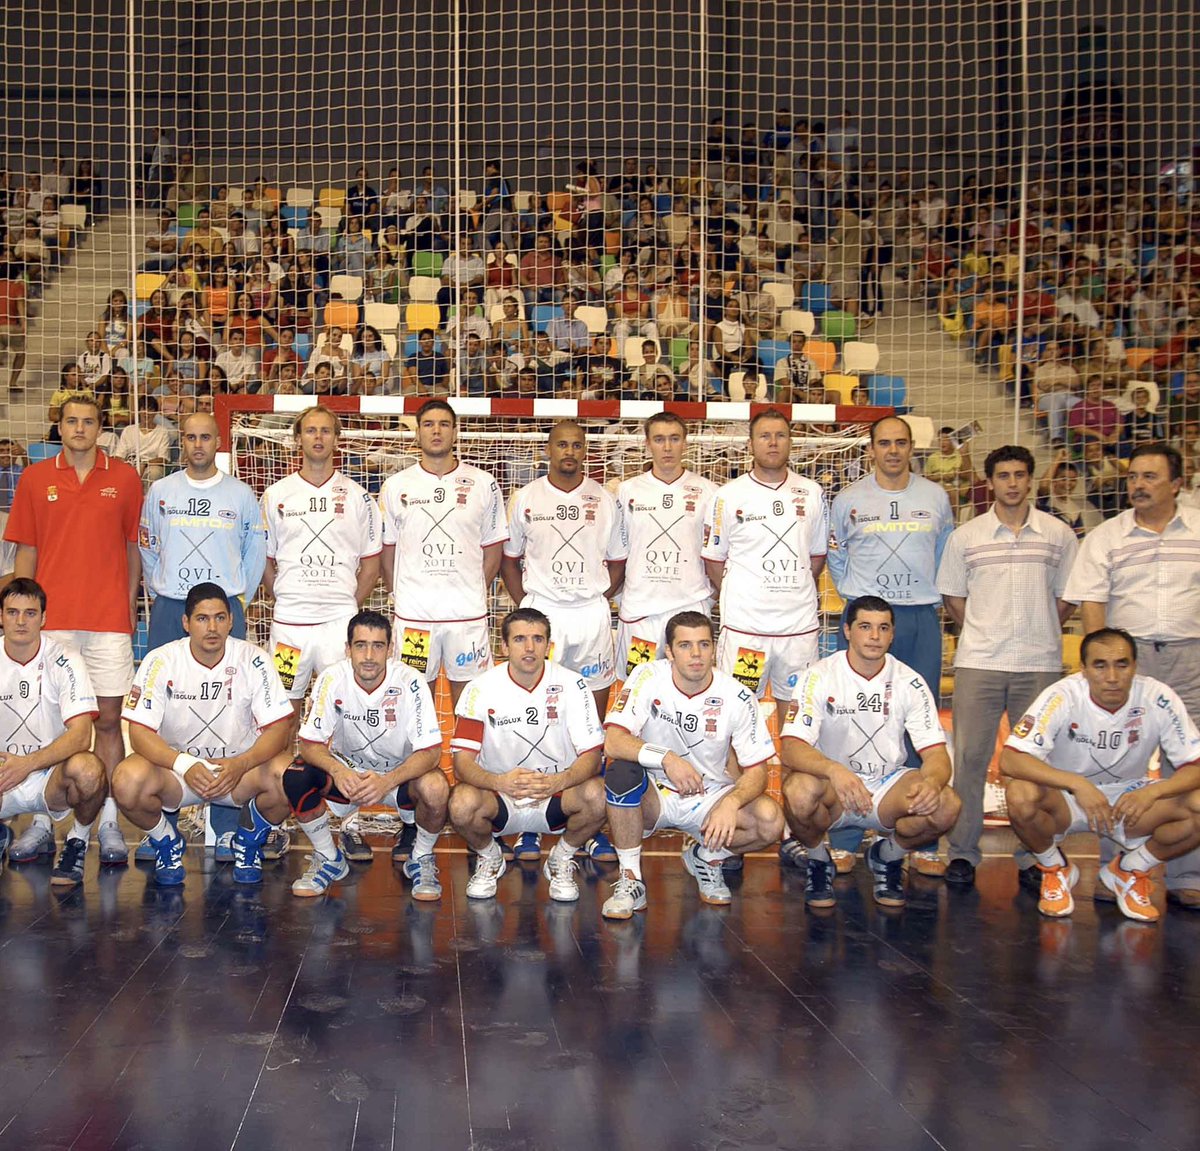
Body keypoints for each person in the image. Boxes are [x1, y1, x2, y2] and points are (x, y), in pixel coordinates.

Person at [4, 393, 141, 866]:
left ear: (101, 428)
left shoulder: (124, 478)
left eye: (88, 421)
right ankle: (44, 821)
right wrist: (28, 613)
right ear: (58, 427)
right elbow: (26, 553)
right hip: (54, 622)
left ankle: (106, 823)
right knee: (51, 723)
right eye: (71, 421)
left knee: (106, 722)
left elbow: (132, 551)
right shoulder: (35, 477)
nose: (80, 428)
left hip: (107, 622)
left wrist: (126, 609)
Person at [1064, 443, 1200, 908]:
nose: (1138, 485)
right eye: (1133, 477)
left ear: (1178, 483)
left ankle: (1186, 875)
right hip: (1130, 665)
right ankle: (1111, 870)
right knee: (1117, 763)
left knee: (1189, 768)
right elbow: (1092, 602)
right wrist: (1109, 665)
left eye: (1150, 477)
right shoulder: (1106, 537)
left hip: (1191, 659)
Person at [936, 444, 1078, 887]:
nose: (1012, 483)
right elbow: (954, 599)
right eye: (1003, 476)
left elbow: (1067, 598)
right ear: (990, 482)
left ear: (1030, 479)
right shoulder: (967, 537)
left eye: (1019, 474)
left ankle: (1035, 854)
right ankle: (962, 853)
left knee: (1035, 763)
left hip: (1039, 664)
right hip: (980, 661)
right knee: (971, 759)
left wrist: (1037, 630)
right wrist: (986, 632)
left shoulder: (1058, 536)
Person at [821, 416, 954, 875]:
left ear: (912, 447)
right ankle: (845, 832)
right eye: (884, 443)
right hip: (865, 615)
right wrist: (862, 600)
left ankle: (919, 832)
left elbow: (944, 556)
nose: (893, 451)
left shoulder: (935, 497)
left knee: (922, 722)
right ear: (870, 448)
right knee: (848, 721)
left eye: (900, 443)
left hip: (917, 615)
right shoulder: (848, 499)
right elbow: (836, 556)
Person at [1001, 628, 1200, 923]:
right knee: (1020, 793)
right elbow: (1010, 759)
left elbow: (1194, 765)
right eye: (1099, 665)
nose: (1112, 676)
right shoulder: (1062, 694)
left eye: (1122, 664)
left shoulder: (1158, 697)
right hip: (1067, 800)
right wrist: (1077, 784)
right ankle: (1056, 869)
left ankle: (1131, 869)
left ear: (1135, 666)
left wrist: (1153, 792)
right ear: (1083, 669)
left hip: (1128, 801)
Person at [377, 399, 505, 860]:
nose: (436, 431)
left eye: (444, 425)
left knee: (475, 716)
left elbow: (493, 551)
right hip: (414, 620)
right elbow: (387, 553)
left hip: (467, 619)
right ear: (417, 432)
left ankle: (483, 814)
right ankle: (414, 820)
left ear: (456, 432)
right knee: (418, 719)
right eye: (428, 424)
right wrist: (403, 596)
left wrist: (471, 591)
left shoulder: (483, 483)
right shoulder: (396, 486)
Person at [779, 596, 961, 909]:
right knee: (798, 791)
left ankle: (887, 856)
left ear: (892, 635)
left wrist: (932, 782)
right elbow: (791, 748)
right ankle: (819, 860)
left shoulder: (910, 682)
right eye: (865, 627)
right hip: (834, 791)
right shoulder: (818, 676)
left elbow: (936, 754)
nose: (874, 636)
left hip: (886, 785)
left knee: (947, 804)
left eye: (883, 628)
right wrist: (835, 771)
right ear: (847, 631)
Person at [601, 611, 783, 916]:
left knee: (770, 821)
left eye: (703, 645)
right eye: (685, 646)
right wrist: (667, 758)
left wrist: (731, 802)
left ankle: (708, 857)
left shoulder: (737, 695)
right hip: (654, 793)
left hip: (709, 796)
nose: (696, 654)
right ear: (669, 652)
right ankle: (631, 880)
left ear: (714, 649)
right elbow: (614, 741)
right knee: (620, 772)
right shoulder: (647, 676)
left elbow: (757, 771)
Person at [111, 584, 293, 886]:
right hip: (178, 774)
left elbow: (279, 729)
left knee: (290, 775)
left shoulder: (254, 659)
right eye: (202, 619)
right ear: (186, 623)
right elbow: (140, 732)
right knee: (126, 780)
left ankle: (248, 841)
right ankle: (167, 842)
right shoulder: (160, 660)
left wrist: (242, 763)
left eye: (220, 618)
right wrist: (184, 764)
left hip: (236, 774)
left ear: (231, 622)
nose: (212, 627)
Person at [286, 609, 449, 898]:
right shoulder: (331, 678)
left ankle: (420, 857)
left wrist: (387, 781)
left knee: (436, 787)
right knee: (295, 776)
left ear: (391, 648)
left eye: (378, 646)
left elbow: (431, 752)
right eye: (361, 645)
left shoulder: (411, 682)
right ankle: (329, 858)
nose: (369, 656)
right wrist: (339, 771)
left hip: (398, 779)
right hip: (348, 777)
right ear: (348, 649)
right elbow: (309, 743)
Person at [447, 608, 606, 902]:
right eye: (520, 639)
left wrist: (560, 781)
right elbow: (462, 763)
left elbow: (593, 755)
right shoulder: (479, 689)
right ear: (504, 646)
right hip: (500, 798)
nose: (529, 647)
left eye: (537, 639)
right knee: (460, 804)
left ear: (549, 645)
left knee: (598, 796)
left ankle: (561, 858)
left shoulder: (573, 684)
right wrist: (499, 782)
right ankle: (489, 856)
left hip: (557, 796)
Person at [702, 408, 827, 726]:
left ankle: (795, 777)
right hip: (747, 631)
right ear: (750, 444)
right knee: (738, 716)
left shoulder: (812, 493)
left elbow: (815, 557)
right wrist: (745, 594)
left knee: (799, 718)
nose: (773, 442)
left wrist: (789, 589)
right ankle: (736, 778)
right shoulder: (727, 496)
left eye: (780, 435)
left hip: (798, 630)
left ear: (790, 442)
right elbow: (714, 560)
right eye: (765, 436)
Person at [501, 420, 624, 723]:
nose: (569, 451)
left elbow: (619, 561)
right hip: (543, 610)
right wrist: (528, 609)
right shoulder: (524, 498)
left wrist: (595, 597)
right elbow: (509, 560)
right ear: (548, 450)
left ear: (585, 450)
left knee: (592, 703)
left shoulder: (606, 499)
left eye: (576, 445)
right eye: (561, 444)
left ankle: (591, 764)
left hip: (590, 614)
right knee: (538, 699)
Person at [261, 405, 382, 712]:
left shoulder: (359, 497)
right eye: (311, 431)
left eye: (326, 431)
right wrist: (282, 596)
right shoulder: (276, 495)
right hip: (289, 623)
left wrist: (345, 603)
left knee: (341, 707)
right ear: (298, 439)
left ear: (337, 439)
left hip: (338, 624)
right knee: (283, 712)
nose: (318, 437)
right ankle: (283, 762)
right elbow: (265, 559)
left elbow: (371, 564)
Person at [0, 579, 107, 886]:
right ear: (1, 616)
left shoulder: (66, 660)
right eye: (12, 612)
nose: (21, 621)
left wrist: (27, 764)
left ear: (44, 618)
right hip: (4, 773)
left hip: (51, 778)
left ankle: (77, 842)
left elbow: (82, 735)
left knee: (88, 770)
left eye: (30, 613)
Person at [614, 412, 717, 676]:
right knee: (637, 689)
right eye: (659, 439)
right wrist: (620, 596)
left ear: (685, 442)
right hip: (641, 613)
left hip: (691, 609)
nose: (667, 447)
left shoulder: (709, 491)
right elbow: (615, 550)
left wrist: (710, 597)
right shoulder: (627, 491)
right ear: (647, 444)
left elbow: (719, 551)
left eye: (674, 439)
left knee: (693, 684)